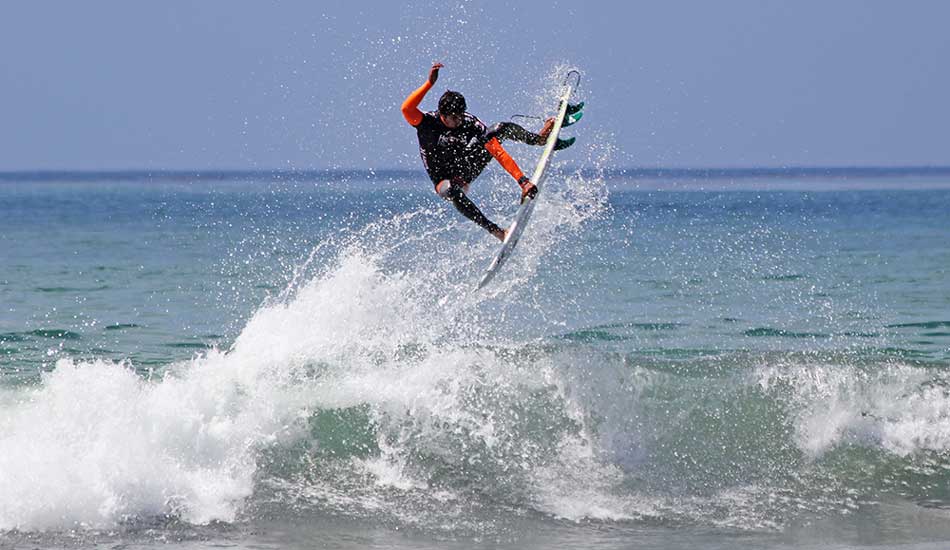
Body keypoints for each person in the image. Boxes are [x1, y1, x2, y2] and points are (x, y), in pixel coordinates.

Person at [401, 62, 573, 241]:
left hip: (466, 168)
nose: (459, 120)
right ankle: (497, 231)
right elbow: (406, 108)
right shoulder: (426, 123)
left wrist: (523, 182)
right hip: (443, 180)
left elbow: (496, 151)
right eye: (454, 117)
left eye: (461, 115)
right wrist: (429, 83)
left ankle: (538, 139)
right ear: (442, 115)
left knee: (499, 129)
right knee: (452, 191)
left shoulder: (468, 122)